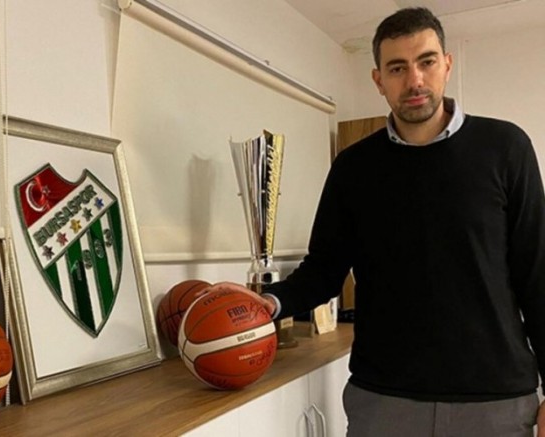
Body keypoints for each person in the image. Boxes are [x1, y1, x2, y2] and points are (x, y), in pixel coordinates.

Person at [210, 7, 545, 437]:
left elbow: (537, 274)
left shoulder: (506, 148)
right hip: (384, 402)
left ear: (447, 64)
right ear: (378, 80)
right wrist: (267, 304)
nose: (415, 80)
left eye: (426, 61)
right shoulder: (353, 168)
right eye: (397, 68)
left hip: (494, 402)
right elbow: (323, 270)